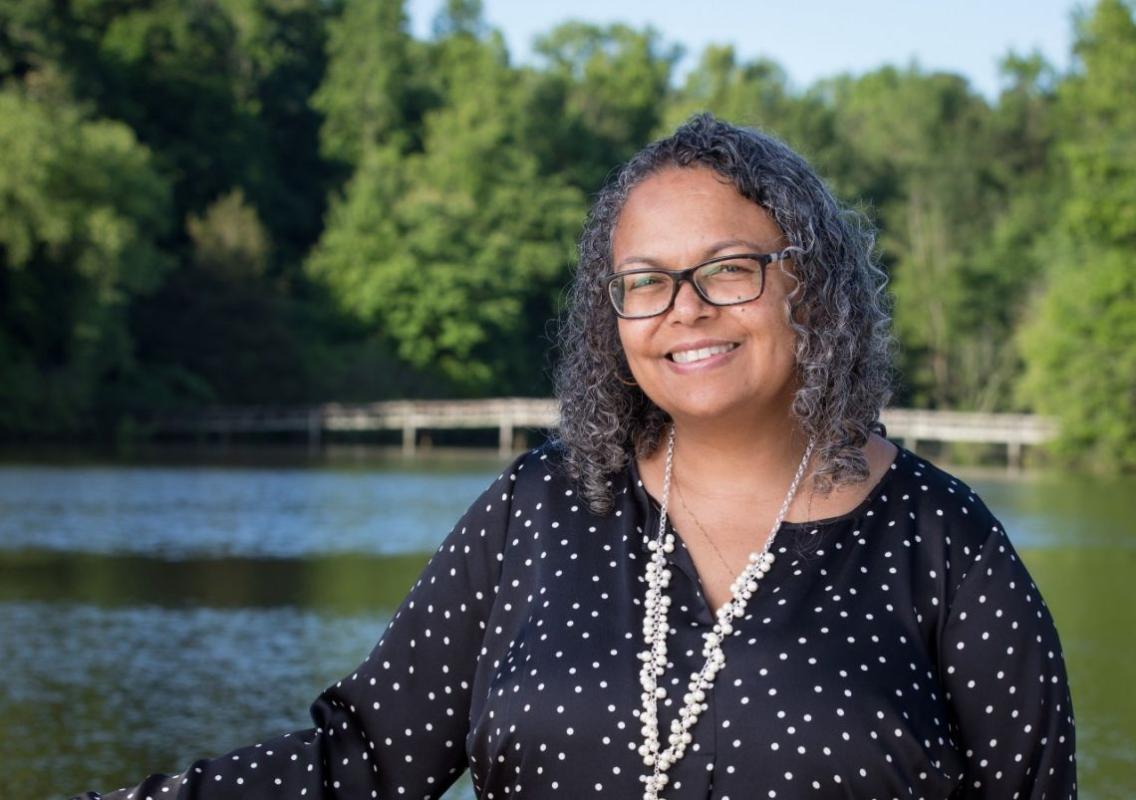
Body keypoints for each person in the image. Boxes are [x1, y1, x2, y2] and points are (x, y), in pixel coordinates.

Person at [73, 113, 1076, 800]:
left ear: (807, 286)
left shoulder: (945, 543)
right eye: (645, 281)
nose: (684, 308)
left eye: (727, 269)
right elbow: (364, 762)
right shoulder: (539, 508)